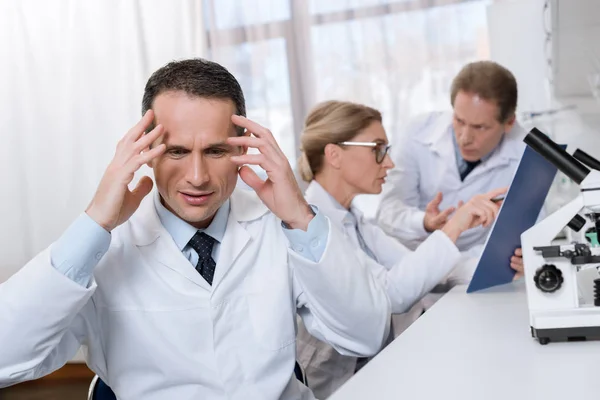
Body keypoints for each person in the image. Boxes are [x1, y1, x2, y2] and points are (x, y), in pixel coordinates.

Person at [0, 59, 391, 400]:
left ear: (242, 150)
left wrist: (301, 218)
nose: (198, 177)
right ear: (144, 153)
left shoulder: (280, 225)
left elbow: (365, 333)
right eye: (176, 151)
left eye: (216, 151)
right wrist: (94, 224)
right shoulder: (104, 245)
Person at [294, 100, 504, 399]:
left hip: (374, 369)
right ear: (334, 154)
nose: (389, 163)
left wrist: (500, 265)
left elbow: (422, 268)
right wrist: (454, 226)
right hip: (334, 387)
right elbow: (390, 295)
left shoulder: (356, 221)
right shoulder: (310, 228)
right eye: (377, 149)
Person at [376, 61, 526, 273]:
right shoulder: (417, 132)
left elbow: (523, 239)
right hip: (412, 274)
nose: (465, 137)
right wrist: (424, 222)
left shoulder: (527, 154)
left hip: (476, 274)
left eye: (479, 127)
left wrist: (458, 267)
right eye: (459, 120)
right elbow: (388, 212)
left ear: (509, 123)